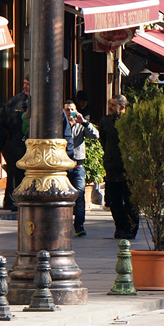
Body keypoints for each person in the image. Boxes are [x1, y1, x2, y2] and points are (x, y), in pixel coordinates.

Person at [100, 94, 137, 240]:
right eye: (110, 104)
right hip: (111, 165)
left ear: (122, 107)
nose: (110, 107)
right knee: (114, 201)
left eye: (113, 105)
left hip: (128, 167)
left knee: (129, 200)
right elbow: (103, 139)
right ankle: (119, 227)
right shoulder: (106, 121)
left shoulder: (131, 121)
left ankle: (130, 228)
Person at [0, 76, 29, 211]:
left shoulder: (44, 102)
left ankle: (25, 202)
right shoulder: (14, 102)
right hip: (13, 146)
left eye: (28, 84)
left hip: (34, 148)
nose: (25, 87)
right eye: (24, 84)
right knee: (13, 173)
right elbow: (1, 125)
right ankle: (11, 202)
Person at [63, 99, 98, 237]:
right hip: (64, 166)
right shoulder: (60, 126)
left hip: (78, 165)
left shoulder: (81, 125)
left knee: (79, 194)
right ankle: (64, 225)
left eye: (72, 109)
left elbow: (95, 135)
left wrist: (84, 122)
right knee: (64, 197)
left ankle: (79, 225)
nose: (70, 112)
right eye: (67, 109)